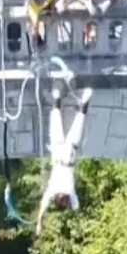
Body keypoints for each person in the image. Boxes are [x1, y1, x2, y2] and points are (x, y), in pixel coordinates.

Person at [36, 85, 92, 236]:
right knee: (80, 120)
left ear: (58, 200)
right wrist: (81, 226)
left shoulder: (52, 190)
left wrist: (39, 224)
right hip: (69, 151)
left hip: (58, 150)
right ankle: (85, 99)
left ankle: (57, 97)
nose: (66, 200)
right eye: (66, 202)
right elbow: (76, 208)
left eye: (63, 201)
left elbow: (43, 206)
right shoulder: (71, 193)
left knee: (55, 118)